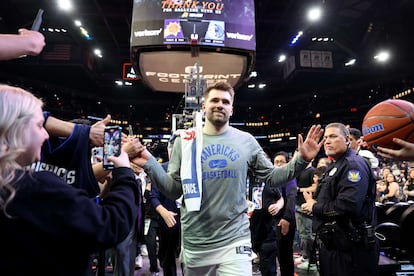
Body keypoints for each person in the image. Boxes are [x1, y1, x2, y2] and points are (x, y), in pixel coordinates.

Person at [130, 81, 324, 275]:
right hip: (196, 242)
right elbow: (174, 189)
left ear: (232, 109)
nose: (219, 104)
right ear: (204, 106)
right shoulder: (185, 141)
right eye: (214, 100)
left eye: (225, 101)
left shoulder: (246, 141)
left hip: (235, 241)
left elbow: (273, 177)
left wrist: (301, 160)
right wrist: (149, 163)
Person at [0, 84, 140, 276]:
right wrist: (123, 170)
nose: (46, 134)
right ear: (16, 128)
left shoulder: (10, 183)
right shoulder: (33, 186)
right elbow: (110, 225)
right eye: (39, 125)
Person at [301, 122, 378, 276]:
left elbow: (348, 206)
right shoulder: (336, 164)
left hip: (351, 249)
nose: (327, 141)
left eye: (333, 136)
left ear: (347, 139)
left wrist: (314, 207)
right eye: (326, 137)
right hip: (335, 245)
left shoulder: (353, 164)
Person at [273, 151, 297, 276]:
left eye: (281, 161)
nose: (278, 164)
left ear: (288, 163)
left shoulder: (289, 177)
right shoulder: (273, 178)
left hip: (285, 220)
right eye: (276, 162)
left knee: (285, 254)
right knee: (279, 254)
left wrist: (286, 218)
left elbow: (291, 198)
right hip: (275, 220)